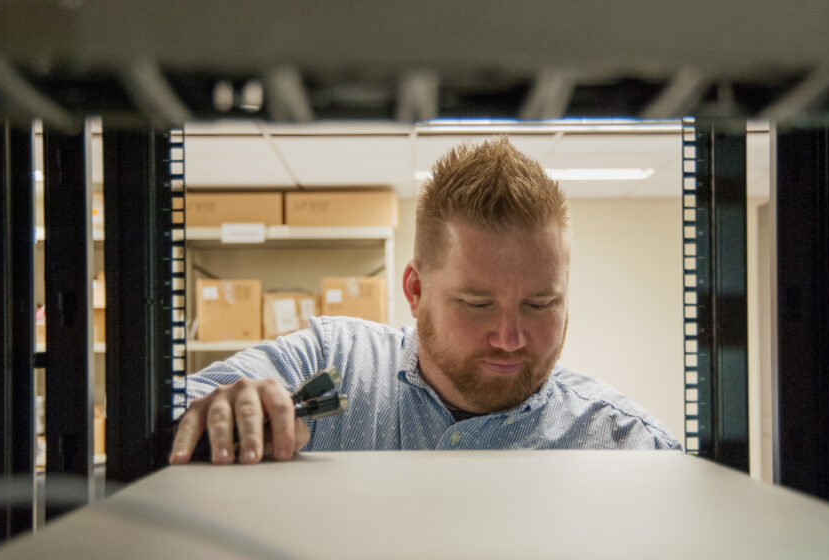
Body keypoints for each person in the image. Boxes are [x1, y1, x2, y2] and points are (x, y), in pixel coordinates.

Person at [168, 137, 681, 464]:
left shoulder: (630, 447)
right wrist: (218, 412)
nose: (510, 337)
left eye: (540, 305)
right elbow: (165, 417)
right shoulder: (331, 363)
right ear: (416, 291)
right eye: (477, 304)